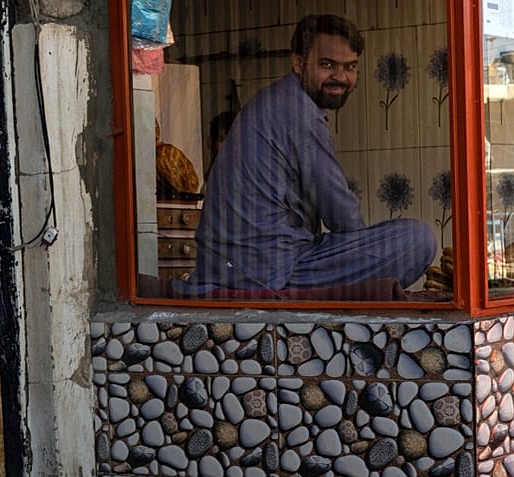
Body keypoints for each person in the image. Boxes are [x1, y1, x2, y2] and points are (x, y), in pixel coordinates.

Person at [187, 14, 437, 296]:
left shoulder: (280, 100)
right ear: (298, 63)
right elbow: (341, 215)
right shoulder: (297, 112)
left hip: (246, 267)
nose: (340, 77)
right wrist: (365, 259)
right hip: (266, 273)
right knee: (417, 239)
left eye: (350, 67)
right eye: (327, 65)